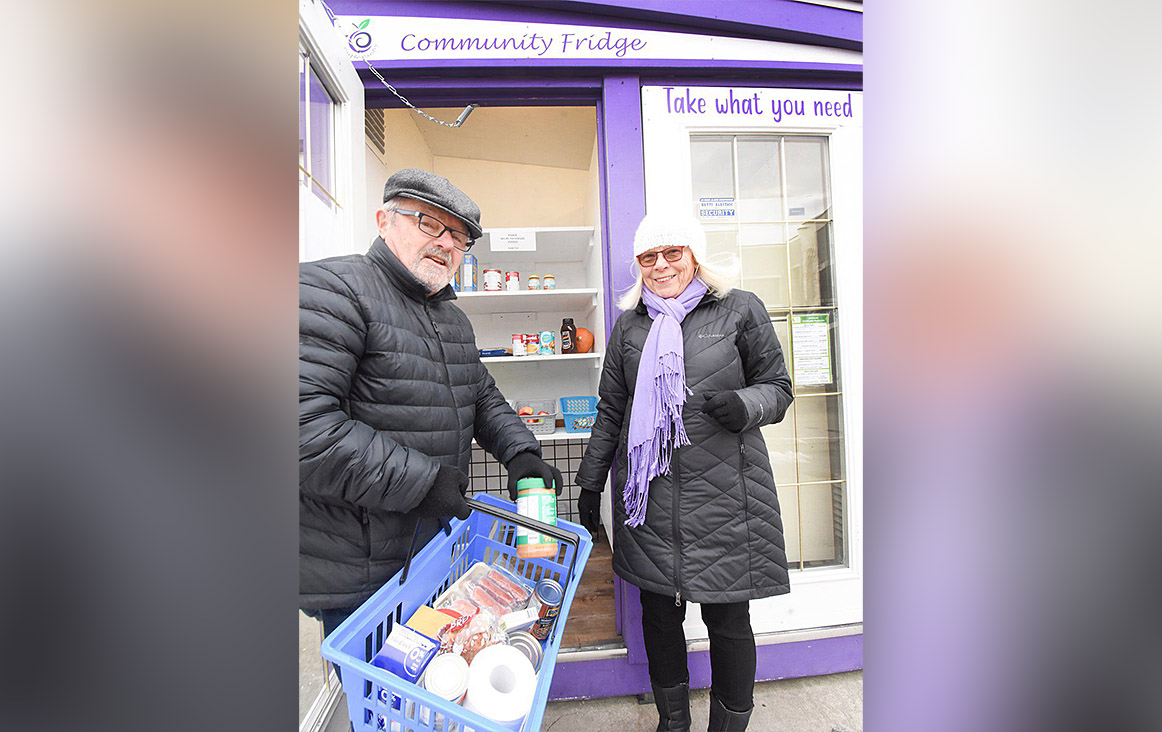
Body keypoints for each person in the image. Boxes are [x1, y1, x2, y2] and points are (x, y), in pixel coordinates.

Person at [299, 168, 563, 640]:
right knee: (390, 708)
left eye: (460, 237)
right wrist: (422, 483)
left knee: (443, 687)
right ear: (384, 220)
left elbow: (478, 390)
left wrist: (520, 453)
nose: (446, 244)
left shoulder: (451, 317)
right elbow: (304, 431)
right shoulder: (331, 289)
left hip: (431, 548)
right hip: (362, 570)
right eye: (428, 223)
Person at [575, 212, 793, 732]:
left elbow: (779, 387)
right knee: (659, 616)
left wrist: (746, 405)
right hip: (648, 499)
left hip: (725, 495)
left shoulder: (739, 309)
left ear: (695, 256)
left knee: (727, 619)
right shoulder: (630, 326)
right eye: (648, 257)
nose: (661, 265)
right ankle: (672, 724)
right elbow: (611, 410)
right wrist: (590, 481)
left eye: (673, 253)